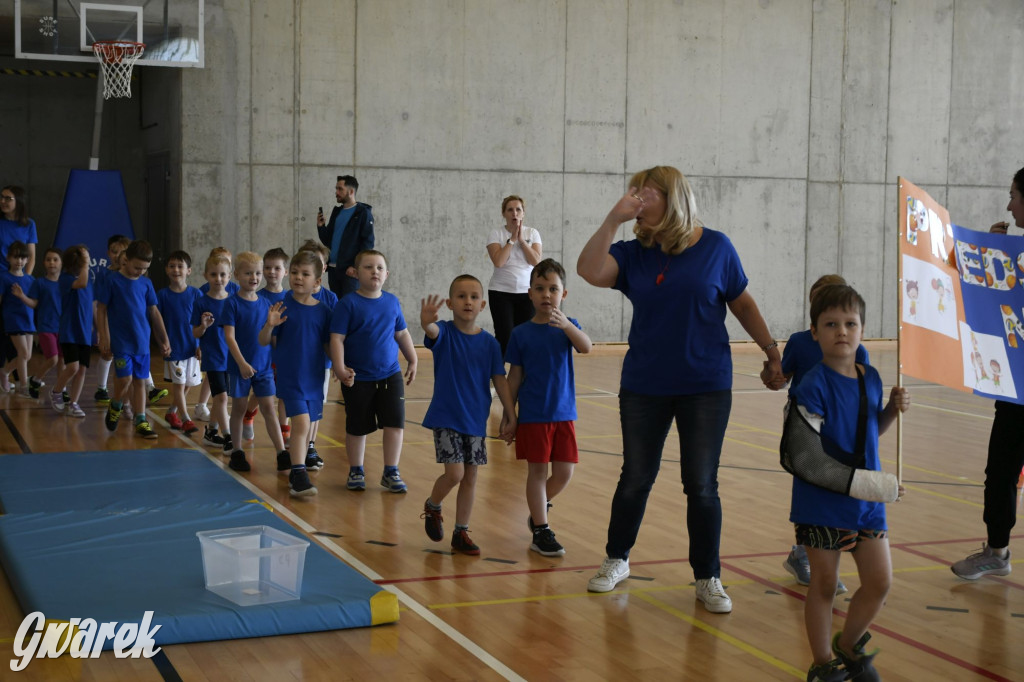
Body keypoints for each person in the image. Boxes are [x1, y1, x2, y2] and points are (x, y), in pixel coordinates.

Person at [576, 165, 783, 614]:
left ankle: (708, 576)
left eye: (645, 194)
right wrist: (613, 218)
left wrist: (772, 350)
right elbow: (589, 270)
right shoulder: (632, 254)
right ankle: (617, 558)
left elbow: (742, 302)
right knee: (635, 478)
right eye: (634, 194)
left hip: (705, 385)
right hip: (644, 385)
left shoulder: (717, 248)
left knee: (702, 484)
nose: (637, 201)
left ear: (672, 199)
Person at [788, 284, 909, 682]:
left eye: (851, 323)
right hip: (822, 503)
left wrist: (890, 409)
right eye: (831, 324)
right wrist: (871, 485)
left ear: (862, 330)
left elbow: (869, 432)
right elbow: (805, 457)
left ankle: (848, 644)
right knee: (824, 584)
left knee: (879, 581)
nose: (842, 331)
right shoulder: (812, 385)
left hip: (866, 504)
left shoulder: (870, 377)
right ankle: (823, 662)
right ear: (815, 332)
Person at [950, 166, 1024, 581]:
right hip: (1016, 388)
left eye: (1013, 195)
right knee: (1001, 470)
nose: (1008, 204)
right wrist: (994, 254)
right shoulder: (1014, 253)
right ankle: (997, 550)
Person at [778, 274, 871, 595]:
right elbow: (781, 376)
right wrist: (771, 374)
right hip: (808, 428)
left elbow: (864, 395)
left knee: (840, 489)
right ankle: (805, 553)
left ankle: (826, 556)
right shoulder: (800, 342)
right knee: (810, 485)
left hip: (844, 431)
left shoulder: (859, 354)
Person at [419, 275, 516, 555]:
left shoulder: (490, 344)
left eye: (474, 296)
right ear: (450, 303)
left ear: (483, 304)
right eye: (461, 296)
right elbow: (432, 331)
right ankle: (433, 505)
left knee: (470, 477)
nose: (468, 301)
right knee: (456, 473)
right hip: (447, 417)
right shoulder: (445, 333)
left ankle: (461, 532)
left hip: (475, 420)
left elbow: (500, 380)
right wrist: (426, 321)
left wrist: (510, 415)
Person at [505, 259, 592, 557]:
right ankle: (540, 529)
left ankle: (537, 509)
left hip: (564, 413)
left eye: (553, 289)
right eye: (540, 289)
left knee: (565, 473)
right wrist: (510, 415)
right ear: (530, 293)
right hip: (534, 416)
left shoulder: (567, 328)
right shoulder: (521, 334)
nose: (546, 294)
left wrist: (567, 325)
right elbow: (514, 376)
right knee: (537, 473)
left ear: (563, 294)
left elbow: (587, 347)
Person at [330, 249, 417, 493]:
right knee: (357, 427)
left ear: (386, 274)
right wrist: (339, 366)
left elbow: (401, 333)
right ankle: (356, 469)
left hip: (390, 375)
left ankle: (391, 470)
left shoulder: (392, 302)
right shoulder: (348, 304)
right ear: (356, 273)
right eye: (368, 267)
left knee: (395, 424)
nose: (374, 272)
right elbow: (337, 339)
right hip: (357, 378)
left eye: (379, 267)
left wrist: (412, 359)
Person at [259, 250, 333, 497]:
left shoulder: (324, 311)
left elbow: (327, 346)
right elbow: (263, 341)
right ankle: (298, 474)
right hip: (290, 376)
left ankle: (296, 470)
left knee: (308, 424)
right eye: (294, 272)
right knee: (301, 424)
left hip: (314, 377)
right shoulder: (281, 307)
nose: (298, 277)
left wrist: (341, 368)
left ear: (317, 282)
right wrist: (270, 325)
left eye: (305, 274)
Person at [95, 240, 171, 439]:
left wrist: (164, 338)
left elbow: (154, 312)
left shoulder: (146, 283)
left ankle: (141, 420)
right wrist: (104, 336)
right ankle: (117, 404)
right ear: (125, 260)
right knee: (125, 378)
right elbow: (101, 309)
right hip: (121, 342)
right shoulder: (112, 281)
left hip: (141, 342)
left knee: (139, 382)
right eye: (137, 267)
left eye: (145, 268)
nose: (140, 271)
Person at [222, 251, 288, 472]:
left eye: (257, 273)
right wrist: (241, 363)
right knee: (239, 408)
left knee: (269, 407)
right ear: (237, 275)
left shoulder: (265, 304)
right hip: (239, 367)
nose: (254, 277)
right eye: (248, 273)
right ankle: (237, 451)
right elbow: (229, 337)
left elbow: (267, 337)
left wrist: (271, 327)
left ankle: (281, 452)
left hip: (264, 367)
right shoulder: (231, 304)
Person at [486, 195, 543, 355]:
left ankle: (523, 377)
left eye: (518, 209)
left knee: (526, 337)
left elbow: (536, 261)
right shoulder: (496, 234)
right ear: (504, 213)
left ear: (523, 213)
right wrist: (512, 240)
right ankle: (498, 376)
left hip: (527, 294)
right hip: (500, 293)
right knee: (504, 337)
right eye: (510, 210)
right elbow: (499, 261)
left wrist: (522, 241)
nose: (514, 213)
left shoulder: (532, 233)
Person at [156, 250, 202, 435]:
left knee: (189, 383)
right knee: (179, 385)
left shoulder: (196, 294)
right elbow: (156, 322)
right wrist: (161, 343)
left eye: (180, 266)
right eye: (172, 266)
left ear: (189, 270)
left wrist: (200, 345)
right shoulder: (162, 295)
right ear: (166, 270)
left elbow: (201, 323)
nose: (176, 270)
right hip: (174, 349)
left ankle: (171, 412)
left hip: (192, 347)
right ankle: (186, 419)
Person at [192, 254, 233, 450]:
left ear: (229, 276)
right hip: (213, 356)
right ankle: (228, 437)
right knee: (222, 397)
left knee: (221, 397)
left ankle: (210, 431)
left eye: (223, 275)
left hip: (230, 357)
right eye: (214, 274)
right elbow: (195, 332)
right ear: (206, 275)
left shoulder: (233, 301)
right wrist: (204, 326)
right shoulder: (201, 302)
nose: (219, 279)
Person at [49, 245, 92, 417]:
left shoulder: (89, 281)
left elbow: (92, 305)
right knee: (73, 367)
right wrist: (86, 263)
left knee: (82, 369)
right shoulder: (65, 279)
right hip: (69, 331)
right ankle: (56, 391)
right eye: (82, 261)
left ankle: (74, 403)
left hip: (85, 333)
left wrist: (97, 329)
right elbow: (80, 283)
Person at [16, 247, 64, 399]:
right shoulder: (40, 283)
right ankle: (36, 380)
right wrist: (22, 296)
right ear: (44, 263)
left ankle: (61, 389)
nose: (52, 263)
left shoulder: (66, 283)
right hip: (45, 327)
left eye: (55, 259)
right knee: (53, 359)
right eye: (48, 259)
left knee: (62, 361)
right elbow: (34, 303)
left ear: (61, 263)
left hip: (62, 328)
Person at [317, 175, 375, 298]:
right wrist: (321, 226)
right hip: (333, 269)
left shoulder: (363, 213)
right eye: (336, 189)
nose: (336, 192)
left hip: (350, 272)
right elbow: (328, 241)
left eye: (340, 189)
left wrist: (356, 266)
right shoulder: (337, 212)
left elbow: (368, 244)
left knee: (350, 307)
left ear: (351, 191)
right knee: (337, 306)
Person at [257, 247, 290, 443]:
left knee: (283, 389)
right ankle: (249, 414)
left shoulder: (291, 297)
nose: (271, 272)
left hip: (283, 354)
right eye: (267, 267)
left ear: (285, 271)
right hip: (262, 353)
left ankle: (284, 427)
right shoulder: (258, 297)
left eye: (277, 268)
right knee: (263, 392)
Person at [93, 235, 130, 405]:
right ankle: (101, 388)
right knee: (107, 354)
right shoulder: (105, 275)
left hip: (125, 322)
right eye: (114, 252)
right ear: (109, 253)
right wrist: (100, 329)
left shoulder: (131, 276)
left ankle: (149, 387)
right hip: (107, 321)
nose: (117, 255)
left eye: (122, 252)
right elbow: (98, 304)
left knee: (133, 354)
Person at [0, 241, 36, 397]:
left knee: (27, 355)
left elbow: (34, 301)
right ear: (8, 258)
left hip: (28, 319)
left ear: (27, 260)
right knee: (22, 353)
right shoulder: (4, 277)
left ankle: (4, 371)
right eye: (15, 257)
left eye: (22, 258)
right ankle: (23, 387)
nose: (19, 261)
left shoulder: (30, 280)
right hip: (13, 319)